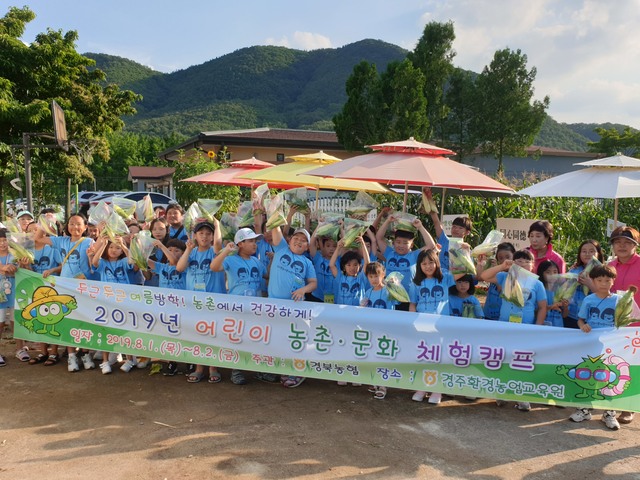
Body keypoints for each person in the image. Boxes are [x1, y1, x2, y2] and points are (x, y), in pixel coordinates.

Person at [478, 249, 547, 412]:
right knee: (504, 359)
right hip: (504, 327)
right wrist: (502, 266)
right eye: (518, 261)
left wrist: (537, 327)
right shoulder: (504, 277)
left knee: (522, 362)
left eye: (526, 261)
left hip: (525, 329)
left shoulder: (537, 284)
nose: (522, 264)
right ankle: (501, 392)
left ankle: (522, 396)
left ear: (532, 265)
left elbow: (542, 307)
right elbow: (484, 276)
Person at [34, 213, 95, 372]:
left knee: (84, 322)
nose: (75, 227)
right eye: (72, 224)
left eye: (79, 224)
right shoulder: (60, 241)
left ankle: (85, 353)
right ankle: (71, 356)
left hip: (83, 288)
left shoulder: (89, 241)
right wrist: (46, 222)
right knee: (68, 321)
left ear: (85, 227)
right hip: (65, 288)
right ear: (67, 226)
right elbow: (38, 239)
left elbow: (94, 263)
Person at [569, 264, 623, 430]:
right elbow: (580, 319)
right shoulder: (588, 299)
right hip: (591, 344)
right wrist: (582, 326)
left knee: (609, 377)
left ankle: (609, 413)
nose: (603, 283)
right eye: (599, 280)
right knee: (588, 374)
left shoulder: (619, 300)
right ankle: (584, 409)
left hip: (611, 346)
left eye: (607, 280)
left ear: (613, 281)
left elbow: (623, 321)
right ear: (593, 281)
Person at [211, 227, 268, 385]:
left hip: (256, 307)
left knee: (257, 338)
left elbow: (267, 275)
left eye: (255, 241)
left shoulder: (257, 261)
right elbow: (214, 267)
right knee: (238, 338)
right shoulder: (230, 259)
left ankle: (260, 370)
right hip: (237, 307)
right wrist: (226, 251)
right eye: (250, 241)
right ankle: (236, 371)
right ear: (240, 244)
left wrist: (273, 259)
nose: (254, 244)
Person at [267, 223, 317, 388]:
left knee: (294, 340)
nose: (299, 242)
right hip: (274, 306)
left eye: (303, 240)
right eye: (296, 238)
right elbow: (275, 228)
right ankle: (283, 369)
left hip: (295, 308)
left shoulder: (307, 263)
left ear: (307, 246)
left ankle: (296, 372)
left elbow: (313, 283)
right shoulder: (280, 249)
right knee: (277, 339)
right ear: (289, 240)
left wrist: (303, 289)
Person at [176, 220, 224, 384]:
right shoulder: (191, 251)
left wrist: (216, 224)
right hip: (194, 302)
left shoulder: (215, 251)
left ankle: (213, 368)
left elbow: (218, 245)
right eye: (201, 233)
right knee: (198, 335)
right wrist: (188, 250)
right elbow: (179, 268)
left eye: (208, 233)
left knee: (213, 334)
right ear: (195, 235)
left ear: (212, 236)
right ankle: (199, 368)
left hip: (213, 301)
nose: (204, 236)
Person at [409, 248, 459, 404]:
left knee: (438, 357)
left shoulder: (445, 278)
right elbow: (412, 304)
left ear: (437, 263)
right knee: (423, 356)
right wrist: (412, 324)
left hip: (441, 326)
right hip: (421, 326)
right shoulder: (415, 283)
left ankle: (437, 390)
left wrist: (462, 253)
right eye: (423, 264)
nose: (428, 266)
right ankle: (421, 387)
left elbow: (462, 271)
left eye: (431, 262)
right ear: (419, 266)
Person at [607, 226, 640, 426]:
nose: (622, 246)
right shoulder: (610, 266)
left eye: (627, 242)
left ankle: (629, 407)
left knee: (634, 366)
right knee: (615, 363)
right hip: (612, 324)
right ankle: (611, 403)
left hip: (637, 325)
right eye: (618, 242)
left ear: (635, 245)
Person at [90, 236, 135, 374]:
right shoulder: (103, 263)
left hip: (124, 301)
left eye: (117, 248)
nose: (114, 250)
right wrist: (102, 245)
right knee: (106, 330)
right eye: (111, 247)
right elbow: (95, 261)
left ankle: (130, 359)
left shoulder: (122, 262)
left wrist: (124, 245)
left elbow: (132, 261)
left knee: (126, 330)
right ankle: (105, 361)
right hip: (107, 301)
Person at [375, 215, 435, 311]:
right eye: (398, 242)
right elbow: (378, 238)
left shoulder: (415, 256)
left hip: (408, 300)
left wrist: (420, 227)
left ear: (411, 244)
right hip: (387, 297)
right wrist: (387, 221)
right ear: (394, 242)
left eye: (405, 243)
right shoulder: (389, 253)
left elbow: (431, 245)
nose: (401, 245)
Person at [362, 261, 396, 399]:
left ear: (383, 275)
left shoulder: (389, 291)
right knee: (372, 356)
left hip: (385, 330)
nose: (374, 279)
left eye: (377, 276)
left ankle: (383, 385)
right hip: (371, 331)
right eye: (371, 277)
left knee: (383, 357)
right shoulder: (368, 292)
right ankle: (374, 382)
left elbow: (396, 304)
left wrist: (394, 286)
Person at [423, 187, 472, 273]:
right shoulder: (444, 240)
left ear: (467, 232)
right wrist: (429, 199)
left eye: (460, 228)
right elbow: (436, 223)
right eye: (454, 227)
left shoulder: (466, 249)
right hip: (441, 279)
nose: (456, 230)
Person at [0, 228, 30, 366]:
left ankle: (20, 348)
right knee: (0, 323)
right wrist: (3, 268)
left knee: (15, 320)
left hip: (15, 293)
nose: (2, 244)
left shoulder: (15, 255)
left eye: (5, 240)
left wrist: (21, 266)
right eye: (0, 241)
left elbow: (23, 271)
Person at [566, 239, 603, 329]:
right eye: (584, 251)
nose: (587, 254)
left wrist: (589, 283)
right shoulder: (574, 270)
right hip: (572, 314)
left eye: (591, 251)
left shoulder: (602, 272)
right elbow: (565, 289)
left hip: (591, 317)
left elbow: (603, 295)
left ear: (598, 254)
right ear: (579, 254)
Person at [476, 242, 516, 320]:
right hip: (488, 313)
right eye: (501, 258)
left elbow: (500, 288)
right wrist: (480, 263)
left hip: (501, 316)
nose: (504, 260)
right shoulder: (494, 271)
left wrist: (498, 270)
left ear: (514, 256)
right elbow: (480, 277)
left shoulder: (513, 275)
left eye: (508, 257)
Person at [329, 236, 369, 307]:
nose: (352, 268)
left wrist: (363, 244)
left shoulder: (361, 278)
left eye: (355, 265)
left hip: (358, 313)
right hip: (341, 313)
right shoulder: (340, 278)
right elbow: (331, 265)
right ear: (344, 267)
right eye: (348, 265)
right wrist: (338, 248)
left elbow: (367, 263)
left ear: (360, 266)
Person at [308, 227, 338, 303]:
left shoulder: (339, 260)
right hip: (316, 297)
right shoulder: (318, 257)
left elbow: (344, 245)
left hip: (334, 298)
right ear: (323, 247)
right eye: (328, 246)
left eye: (334, 246)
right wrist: (319, 226)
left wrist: (341, 228)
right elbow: (311, 243)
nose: (331, 249)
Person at [537, 260, 567, 327]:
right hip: (543, 326)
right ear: (541, 273)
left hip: (558, 327)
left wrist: (565, 307)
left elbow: (565, 315)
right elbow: (536, 311)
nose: (552, 275)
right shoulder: (539, 290)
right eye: (548, 272)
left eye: (555, 272)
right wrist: (551, 307)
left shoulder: (561, 290)